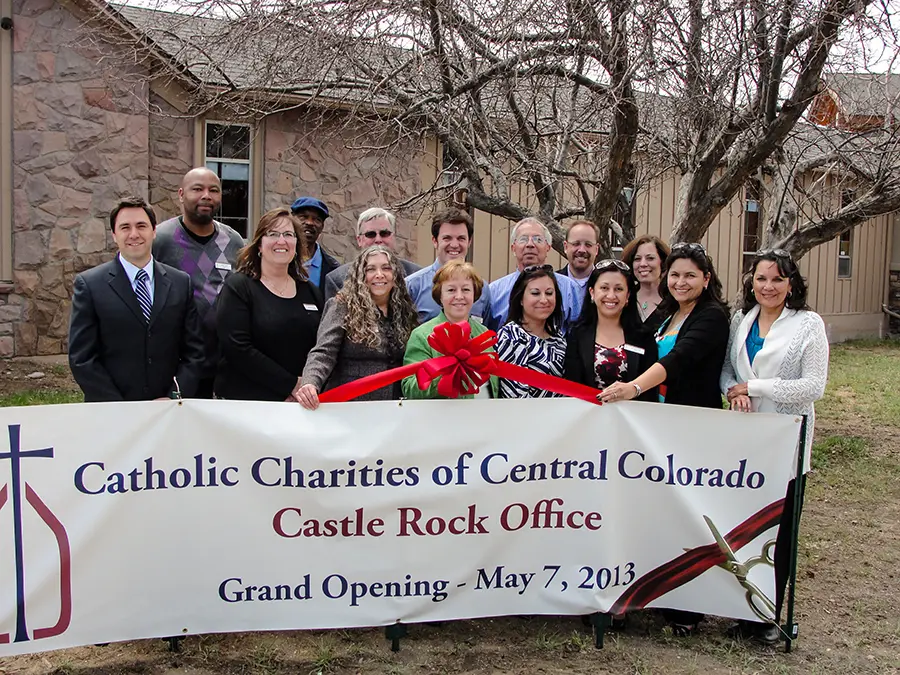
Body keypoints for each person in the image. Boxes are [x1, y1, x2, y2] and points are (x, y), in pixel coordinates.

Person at [597, 242, 730, 637]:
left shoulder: (712, 316)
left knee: (691, 515)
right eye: (674, 275)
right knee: (660, 513)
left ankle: (688, 607)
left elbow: (678, 360)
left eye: (690, 275)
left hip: (692, 426)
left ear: (706, 279)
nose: (681, 282)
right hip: (658, 428)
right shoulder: (666, 312)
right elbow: (639, 344)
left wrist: (633, 387)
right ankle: (655, 591)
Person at [720, 248, 829, 645]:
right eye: (761, 278)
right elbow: (729, 370)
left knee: (779, 533)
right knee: (746, 530)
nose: (768, 287)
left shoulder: (807, 325)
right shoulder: (741, 320)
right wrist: (734, 393)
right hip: (746, 441)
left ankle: (769, 616)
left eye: (777, 280)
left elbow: (814, 386)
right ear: (751, 281)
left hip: (787, 442)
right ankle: (743, 608)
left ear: (791, 284)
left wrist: (757, 387)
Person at [68, 196, 204, 401]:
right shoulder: (89, 285)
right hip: (112, 413)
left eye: (141, 226)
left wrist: (174, 396)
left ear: (154, 231)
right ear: (114, 235)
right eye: (125, 227)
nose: (134, 234)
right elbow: (82, 358)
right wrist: (119, 406)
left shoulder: (180, 283)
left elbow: (195, 352)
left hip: (168, 411)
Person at [153, 167, 245, 398]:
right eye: (198, 189)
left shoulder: (234, 241)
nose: (206, 195)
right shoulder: (161, 238)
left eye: (213, 190)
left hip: (224, 358)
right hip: (178, 358)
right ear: (181, 194)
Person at [214, 208, 321, 401]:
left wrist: (308, 385)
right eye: (273, 234)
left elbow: (322, 347)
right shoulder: (239, 287)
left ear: (296, 244)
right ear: (260, 245)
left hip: (299, 405)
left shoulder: (311, 292)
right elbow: (237, 349)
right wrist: (289, 385)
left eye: (289, 235)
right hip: (248, 405)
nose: (282, 241)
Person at [296, 246, 420, 409]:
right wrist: (310, 382)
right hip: (350, 407)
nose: (379, 274)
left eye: (386, 268)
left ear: (395, 275)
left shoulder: (405, 311)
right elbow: (324, 352)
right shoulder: (342, 306)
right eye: (370, 269)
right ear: (361, 276)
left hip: (393, 409)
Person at [402, 260, 498, 399]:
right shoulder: (422, 336)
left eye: (466, 290)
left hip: (485, 415)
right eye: (451, 290)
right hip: (445, 417)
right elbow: (409, 387)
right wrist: (447, 376)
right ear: (440, 295)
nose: (459, 296)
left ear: (474, 294)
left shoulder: (484, 333)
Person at [564, 259, 658, 400]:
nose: (611, 295)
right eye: (604, 288)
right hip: (587, 417)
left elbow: (650, 390)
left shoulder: (643, 336)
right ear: (592, 292)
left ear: (627, 296)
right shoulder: (576, 334)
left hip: (633, 417)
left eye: (619, 289)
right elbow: (571, 386)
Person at [488, 217, 583, 330]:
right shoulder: (494, 291)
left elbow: (580, 332)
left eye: (538, 239)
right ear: (513, 248)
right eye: (523, 239)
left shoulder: (569, 288)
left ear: (548, 247)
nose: (530, 244)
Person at [404, 208, 492, 326]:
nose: (455, 245)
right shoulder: (413, 286)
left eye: (461, 238)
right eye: (447, 238)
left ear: (469, 242)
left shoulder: (482, 288)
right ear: (435, 241)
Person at [495, 265, 566, 398]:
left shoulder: (558, 336)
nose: (544, 300)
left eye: (549, 293)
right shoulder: (510, 336)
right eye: (535, 293)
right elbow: (515, 396)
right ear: (521, 299)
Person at [324, 207, 420, 300]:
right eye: (370, 234)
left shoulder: (416, 275)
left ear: (393, 237)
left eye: (384, 233)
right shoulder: (337, 280)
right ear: (359, 240)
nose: (378, 240)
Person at [291, 196, 340, 299]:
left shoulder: (334, 269)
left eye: (316, 219)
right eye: (303, 217)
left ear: (322, 226)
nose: (309, 223)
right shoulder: (280, 261)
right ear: (292, 220)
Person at [620, 234, 670, 334]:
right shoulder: (622, 298)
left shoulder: (673, 301)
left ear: (663, 262)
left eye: (650, 258)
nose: (643, 264)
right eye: (637, 259)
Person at [557, 220, 601, 292]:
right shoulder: (552, 283)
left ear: (596, 249)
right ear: (566, 247)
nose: (582, 250)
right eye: (576, 244)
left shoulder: (606, 286)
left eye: (588, 245)